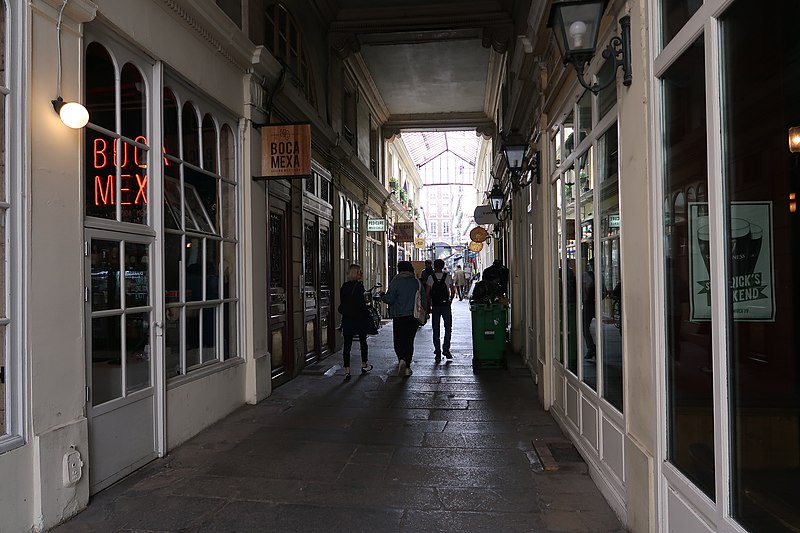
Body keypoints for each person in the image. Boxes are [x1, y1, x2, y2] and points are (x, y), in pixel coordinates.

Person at [382, 261, 426, 378]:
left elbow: (390, 299)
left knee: (399, 339)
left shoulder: (396, 281)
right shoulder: (416, 282)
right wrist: (425, 314)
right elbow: (423, 299)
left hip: (399, 315)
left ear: (399, 270)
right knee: (409, 340)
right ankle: (407, 366)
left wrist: (382, 297)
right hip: (413, 316)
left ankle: (401, 358)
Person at [338, 264, 376, 381]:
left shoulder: (344, 287)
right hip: (359, 318)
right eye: (360, 272)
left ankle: (347, 370)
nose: (362, 274)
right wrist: (367, 315)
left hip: (348, 318)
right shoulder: (359, 287)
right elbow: (361, 304)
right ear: (356, 274)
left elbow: (343, 303)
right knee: (362, 342)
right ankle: (364, 364)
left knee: (347, 345)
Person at [426, 258, 456, 361]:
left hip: (436, 306)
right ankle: (446, 349)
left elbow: (427, 294)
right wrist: (450, 300)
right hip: (445, 305)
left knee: (436, 328)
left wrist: (429, 304)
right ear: (443, 266)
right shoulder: (447, 277)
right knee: (448, 327)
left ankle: (437, 351)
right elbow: (453, 291)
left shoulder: (431, 277)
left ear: (434, 266)